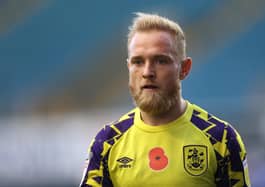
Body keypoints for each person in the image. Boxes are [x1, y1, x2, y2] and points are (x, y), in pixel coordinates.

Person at [80, 12, 250, 187]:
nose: (147, 72)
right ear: (129, 67)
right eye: (138, 62)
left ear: (184, 68)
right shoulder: (107, 142)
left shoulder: (220, 139)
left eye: (160, 61)